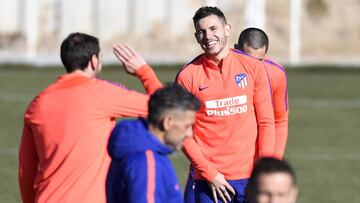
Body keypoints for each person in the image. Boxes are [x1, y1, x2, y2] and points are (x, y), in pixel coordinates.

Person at [18, 32, 162, 203]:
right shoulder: (102, 93)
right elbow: (166, 106)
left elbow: (25, 168)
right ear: (94, 61)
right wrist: (143, 71)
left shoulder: (38, 104)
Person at [176, 6, 276, 203]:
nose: (208, 36)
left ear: (227, 30)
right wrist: (210, 173)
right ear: (196, 37)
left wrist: (264, 170)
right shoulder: (187, 76)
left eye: (213, 29)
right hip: (208, 181)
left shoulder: (253, 67)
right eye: (201, 32)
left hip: (250, 179)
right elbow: (181, 132)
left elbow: (266, 122)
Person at [106, 83, 200, 203]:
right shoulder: (147, 162)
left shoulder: (134, 148)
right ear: (167, 122)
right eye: (187, 126)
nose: (189, 134)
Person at [235, 27, 289, 159]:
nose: (254, 66)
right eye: (248, 59)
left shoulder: (276, 73)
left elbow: (280, 120)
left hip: (258, 157)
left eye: (259, 61)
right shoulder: (222, 70)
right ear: (236, 49)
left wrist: (273, 162)